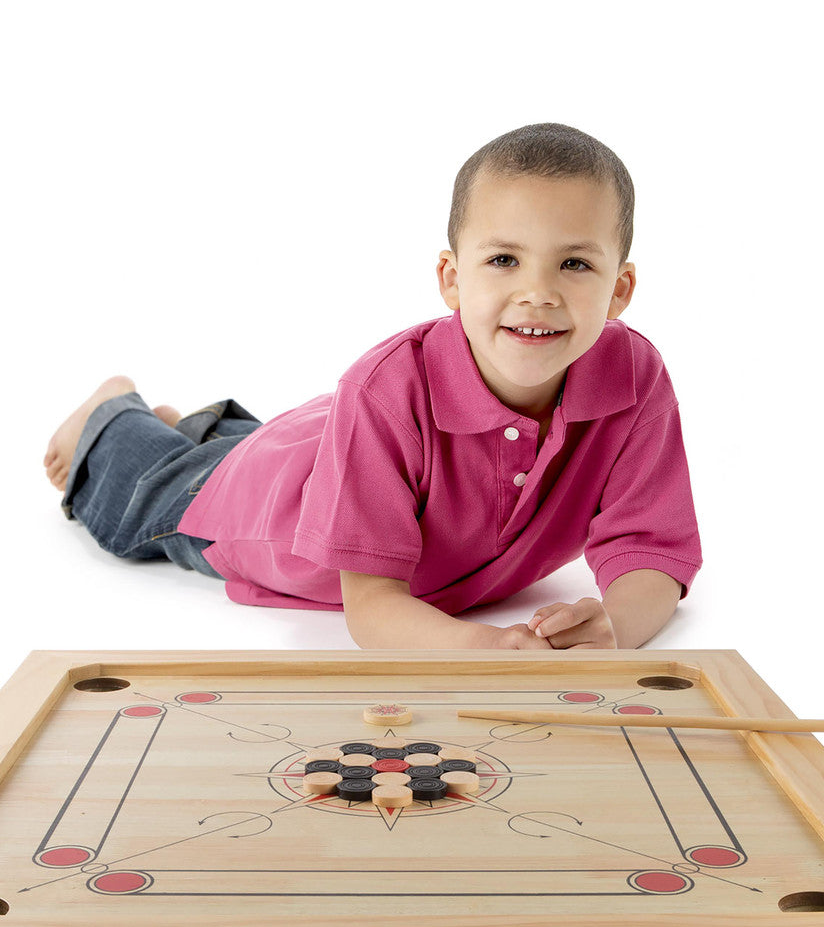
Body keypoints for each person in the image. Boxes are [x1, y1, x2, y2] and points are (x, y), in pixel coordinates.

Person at [44, 122, 702, 650]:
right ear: (451, 278)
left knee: (257, 449)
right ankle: (113, 414)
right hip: (257, 510)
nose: (538, 293)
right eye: (504, 259)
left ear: (620, 289)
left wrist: (613, 631)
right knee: (136, 505)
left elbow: (652, 553)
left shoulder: (634, 378)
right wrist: (485, 651)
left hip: (330, 449)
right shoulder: (387, 387)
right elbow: (373, 608)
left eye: (576, 264)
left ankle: (193, 431)